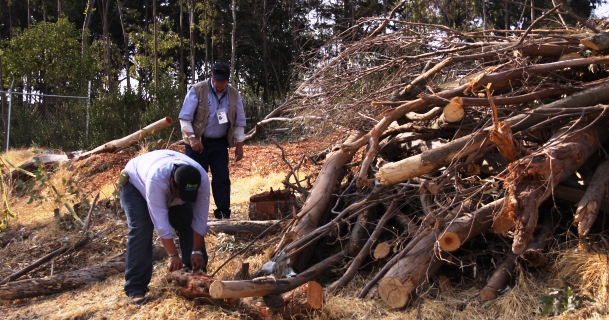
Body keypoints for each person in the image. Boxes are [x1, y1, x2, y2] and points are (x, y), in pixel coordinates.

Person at [119, 150, 211, 305]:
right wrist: (173, 255)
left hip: (167, 185)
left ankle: (195, 276)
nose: (184, 199)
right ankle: (135, 288)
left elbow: (200, 220)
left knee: (188, 222)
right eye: (182, 195)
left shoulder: (201, 179)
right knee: (141, 229)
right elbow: (161, 224)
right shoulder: (157, 181)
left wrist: (196, 251)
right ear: (172, 184)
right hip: (136, 184)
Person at [178, 62, 246, 220]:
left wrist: (239, 145)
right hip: (197, 143)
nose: (220, 83)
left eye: (223, 80)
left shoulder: (234, 95)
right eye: (217, 80)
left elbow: (239, 121)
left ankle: (223, 213)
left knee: (221, 178)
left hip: (219, 143)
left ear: (228, 80)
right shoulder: (197, 90)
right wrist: (192, 138)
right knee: (193, 179)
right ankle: (191, 214)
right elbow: (184, 118)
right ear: (211, 76)